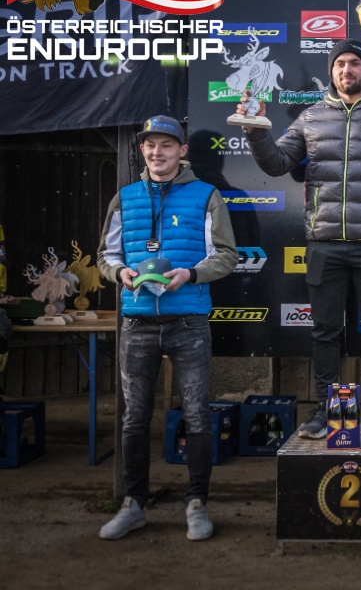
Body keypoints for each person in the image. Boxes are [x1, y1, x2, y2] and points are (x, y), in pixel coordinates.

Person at [237, 39, 361, 440]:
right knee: (324, 330)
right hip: (325, 242)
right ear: (332, 72)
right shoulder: (311, 117)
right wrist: (255, 131)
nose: (346, 70)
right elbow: (278, 163)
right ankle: (327, 410)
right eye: (339, 64)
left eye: (354, 63)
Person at [96, 115, 237, 541]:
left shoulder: (207, 195)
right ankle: (134, 504)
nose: (157, 152)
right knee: (134, 419)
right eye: (150, 145)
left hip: (188, 321)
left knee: (197, 416)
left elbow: (227, 255)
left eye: (166, 145)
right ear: (142, 150)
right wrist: (119, 273)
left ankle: (197, 504)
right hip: (137, 322)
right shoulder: (125, 198)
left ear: (182, 151)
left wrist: (189, 275)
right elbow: (105, 256)